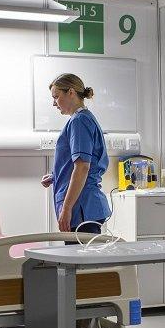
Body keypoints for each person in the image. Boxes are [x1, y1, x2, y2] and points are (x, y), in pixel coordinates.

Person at [41, 73, 111, 236]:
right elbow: (78, 163)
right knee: (82, 258)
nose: (54, 103)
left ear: (71, 92)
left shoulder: (79, 121)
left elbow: (82, 167)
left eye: (56, 97)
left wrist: (66, 209)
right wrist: (55, 176)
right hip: (83, 205)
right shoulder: (83, 119)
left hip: (81, 207)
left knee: (82, 259)